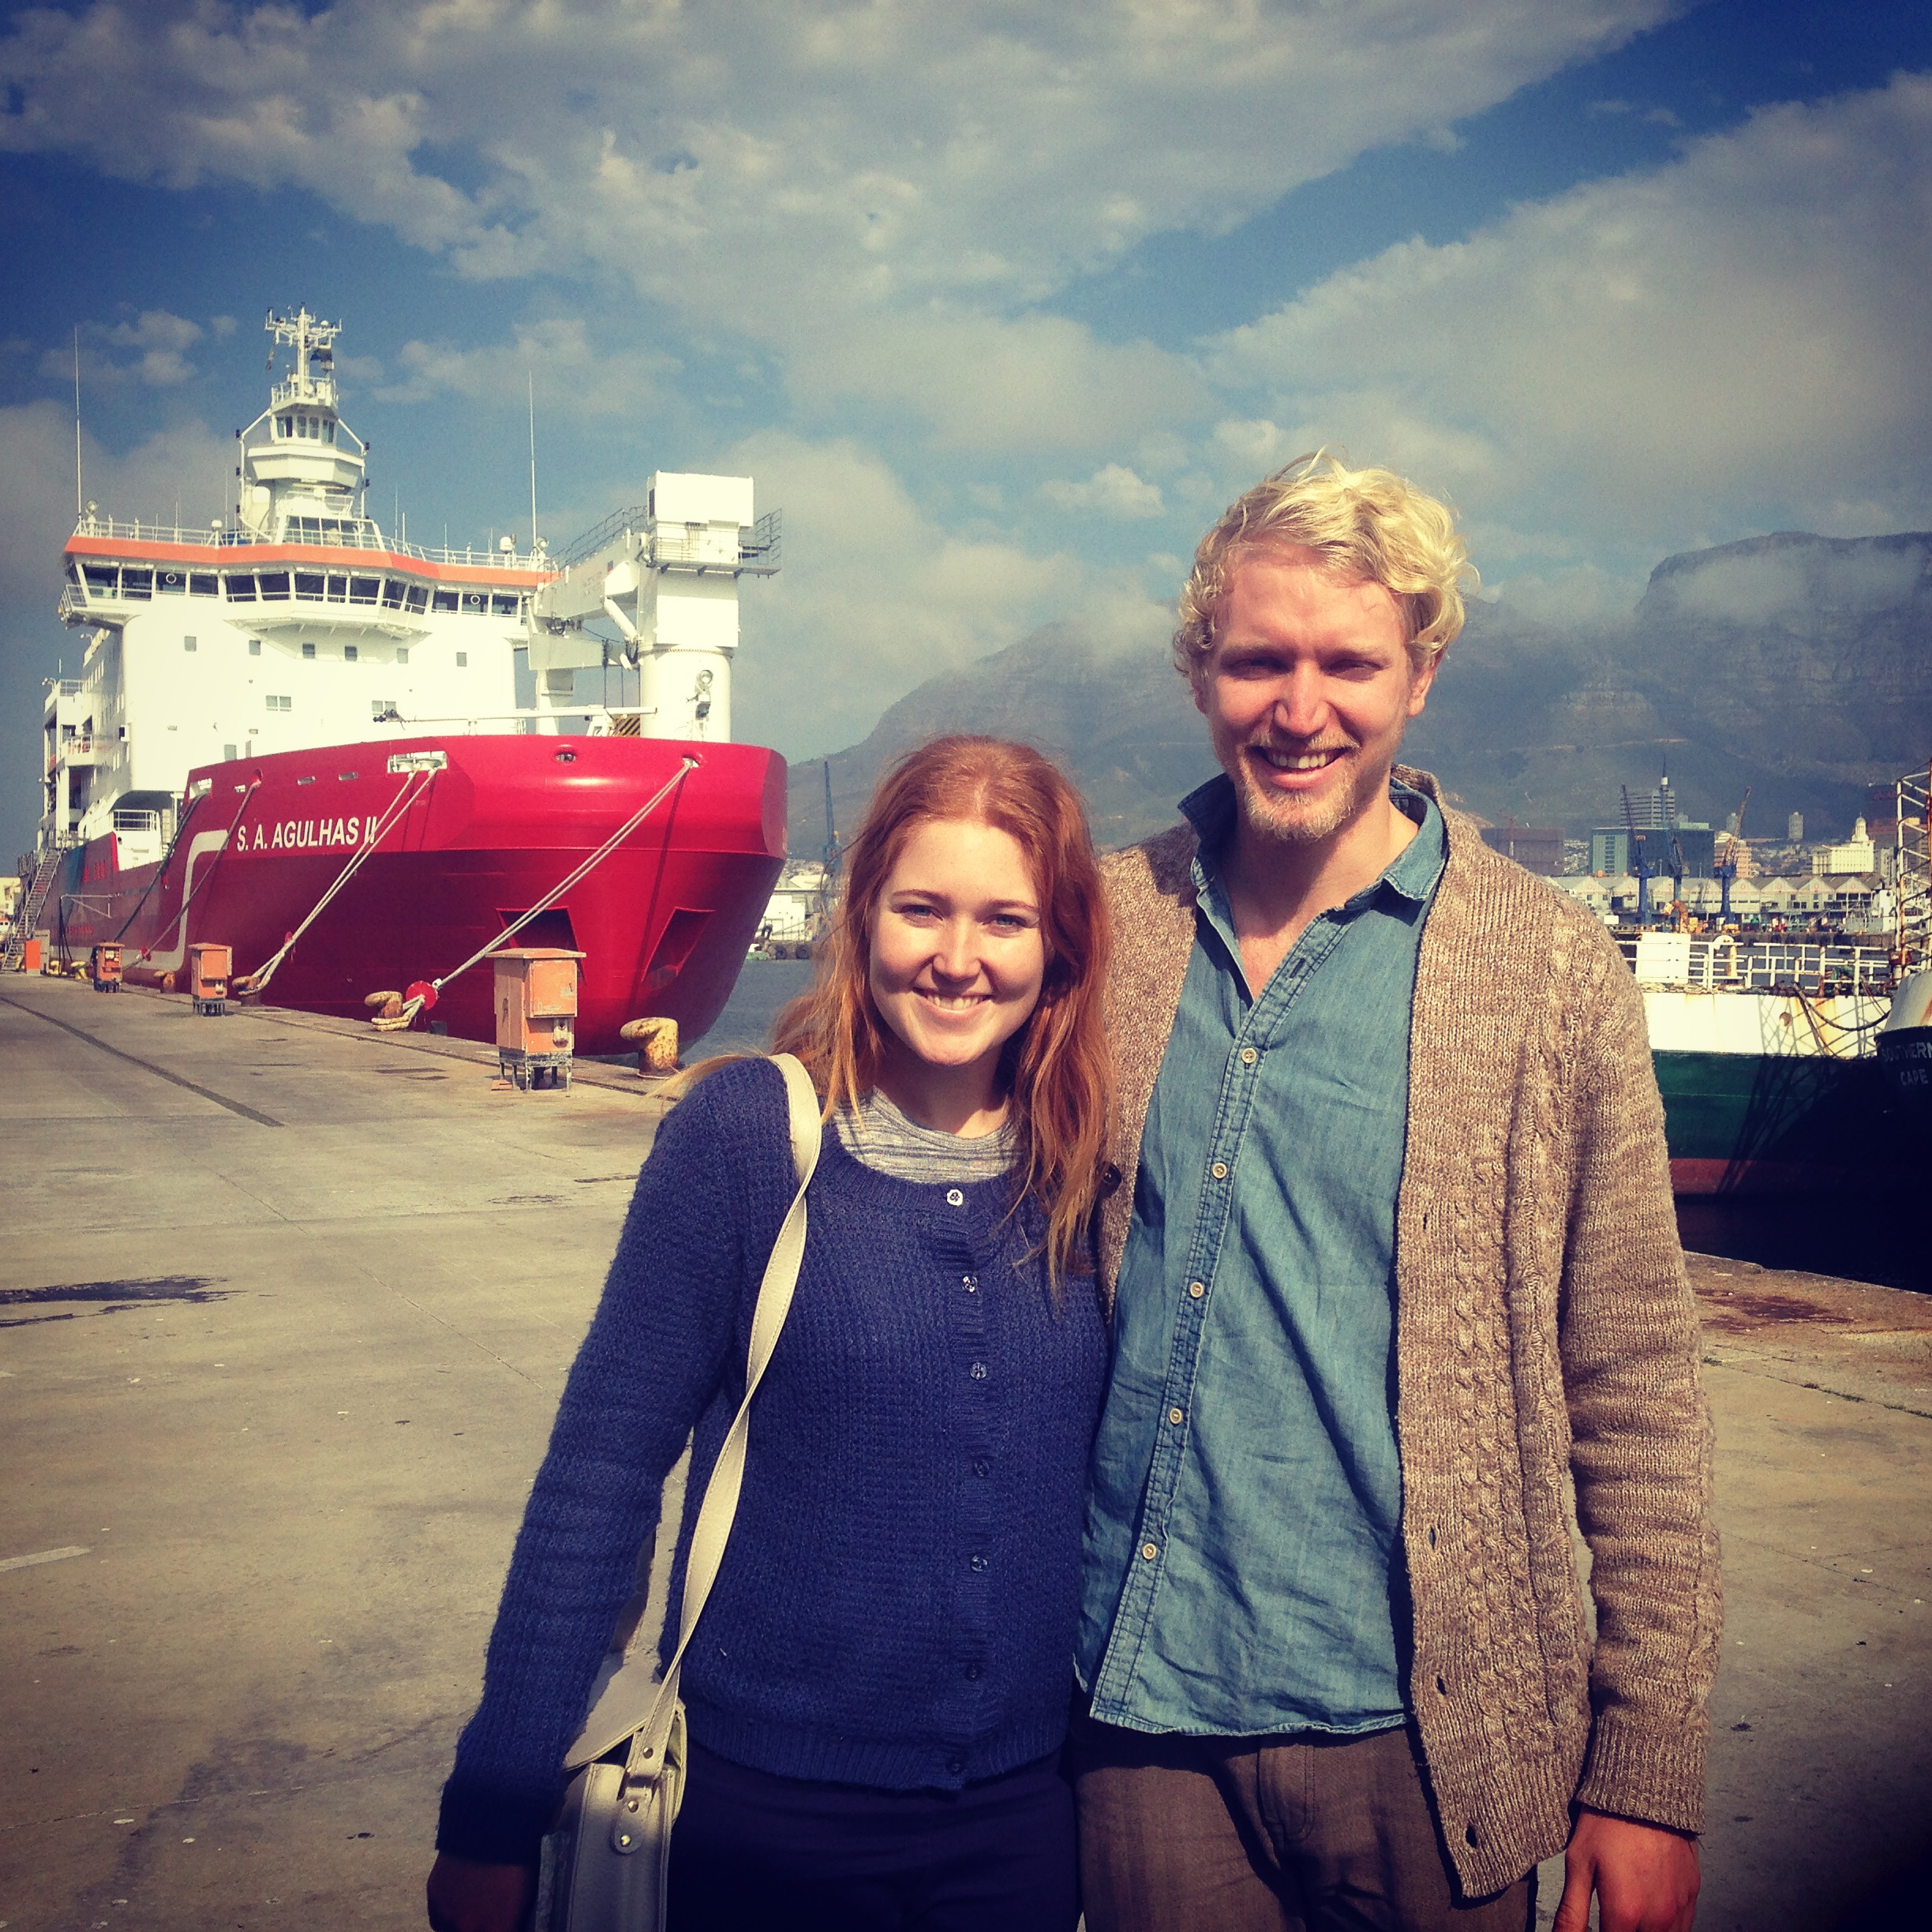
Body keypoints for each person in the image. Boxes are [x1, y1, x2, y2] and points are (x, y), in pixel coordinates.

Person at [1073, 455, 1720, 1932]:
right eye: (1259, 661)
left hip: (1431, 1743)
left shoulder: (1549, 971)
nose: (1302, 710)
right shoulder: (1111, 925)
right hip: (1138, 1720)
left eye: (1350, 662)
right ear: (1200, 673)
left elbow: (1634, 1385)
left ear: (1419, 675)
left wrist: (1648, 1769)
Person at [426, 736, 1113, 1932]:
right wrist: (494, 1805)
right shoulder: (748, 1137)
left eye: (1003, 918)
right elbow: (602, 1470)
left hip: (1025, 1827)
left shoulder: (1086, 1171)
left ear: (1057, 943)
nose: (958, 960)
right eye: (921, 910)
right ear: (861, 918)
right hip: (762, 1824)